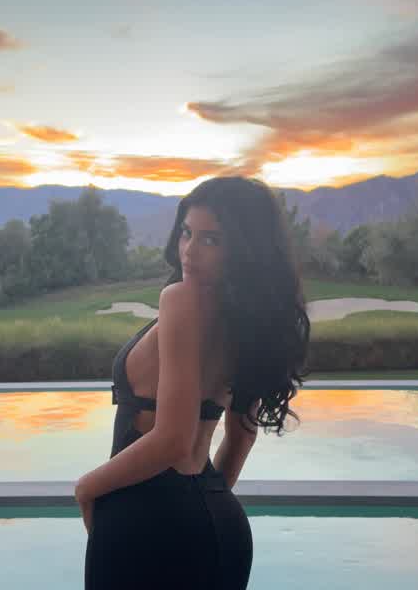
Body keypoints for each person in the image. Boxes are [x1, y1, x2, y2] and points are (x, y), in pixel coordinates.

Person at [75, 176, 311, 589]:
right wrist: (202, 506)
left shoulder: (180, 299)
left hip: (146, 523)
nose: (189, 250)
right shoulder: (249, 320)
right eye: (187, 232)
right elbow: (241, 438)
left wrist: (88, 488)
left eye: (211, 240)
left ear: (243, 248)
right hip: (221, 526)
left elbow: (173, 440)